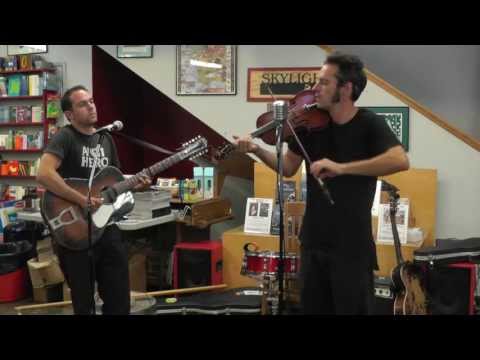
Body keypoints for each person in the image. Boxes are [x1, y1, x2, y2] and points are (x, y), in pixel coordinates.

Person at [233, 52, 409, 315]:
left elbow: (399, 160)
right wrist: (255, 150)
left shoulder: (369, 123)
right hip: (313, 241)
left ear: (346, 88)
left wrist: (342, 168)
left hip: (351, 246)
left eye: (324, 83)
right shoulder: (310, 126)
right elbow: (288, 168)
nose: (315, 89)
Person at [36, 85, 151, 315]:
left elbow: (114, 185)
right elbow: (44, 174)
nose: (91, 106)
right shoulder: (65, 137)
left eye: (91, 101)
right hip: (76, 233)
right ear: (69, 114)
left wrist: (135, 187)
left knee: (119, 303)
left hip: (107, 230)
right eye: (83, 104)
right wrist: (80, 199)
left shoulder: (105, 139)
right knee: (84, 306)